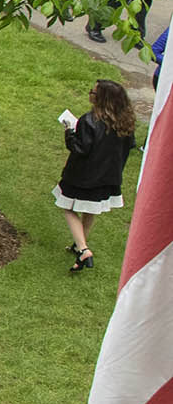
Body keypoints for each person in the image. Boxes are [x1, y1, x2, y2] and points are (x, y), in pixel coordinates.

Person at [59, 80, 138, 275]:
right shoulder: (125, 123)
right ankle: (80, 245)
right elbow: (129, 147)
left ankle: (84, 250)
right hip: (108, 179)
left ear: (102, 98)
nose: (90, 94)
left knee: (67, 207)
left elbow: (80, 148)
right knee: (90, 210)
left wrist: (69, 132)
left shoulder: (89, 120)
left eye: (93, 92)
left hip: (83, 177)